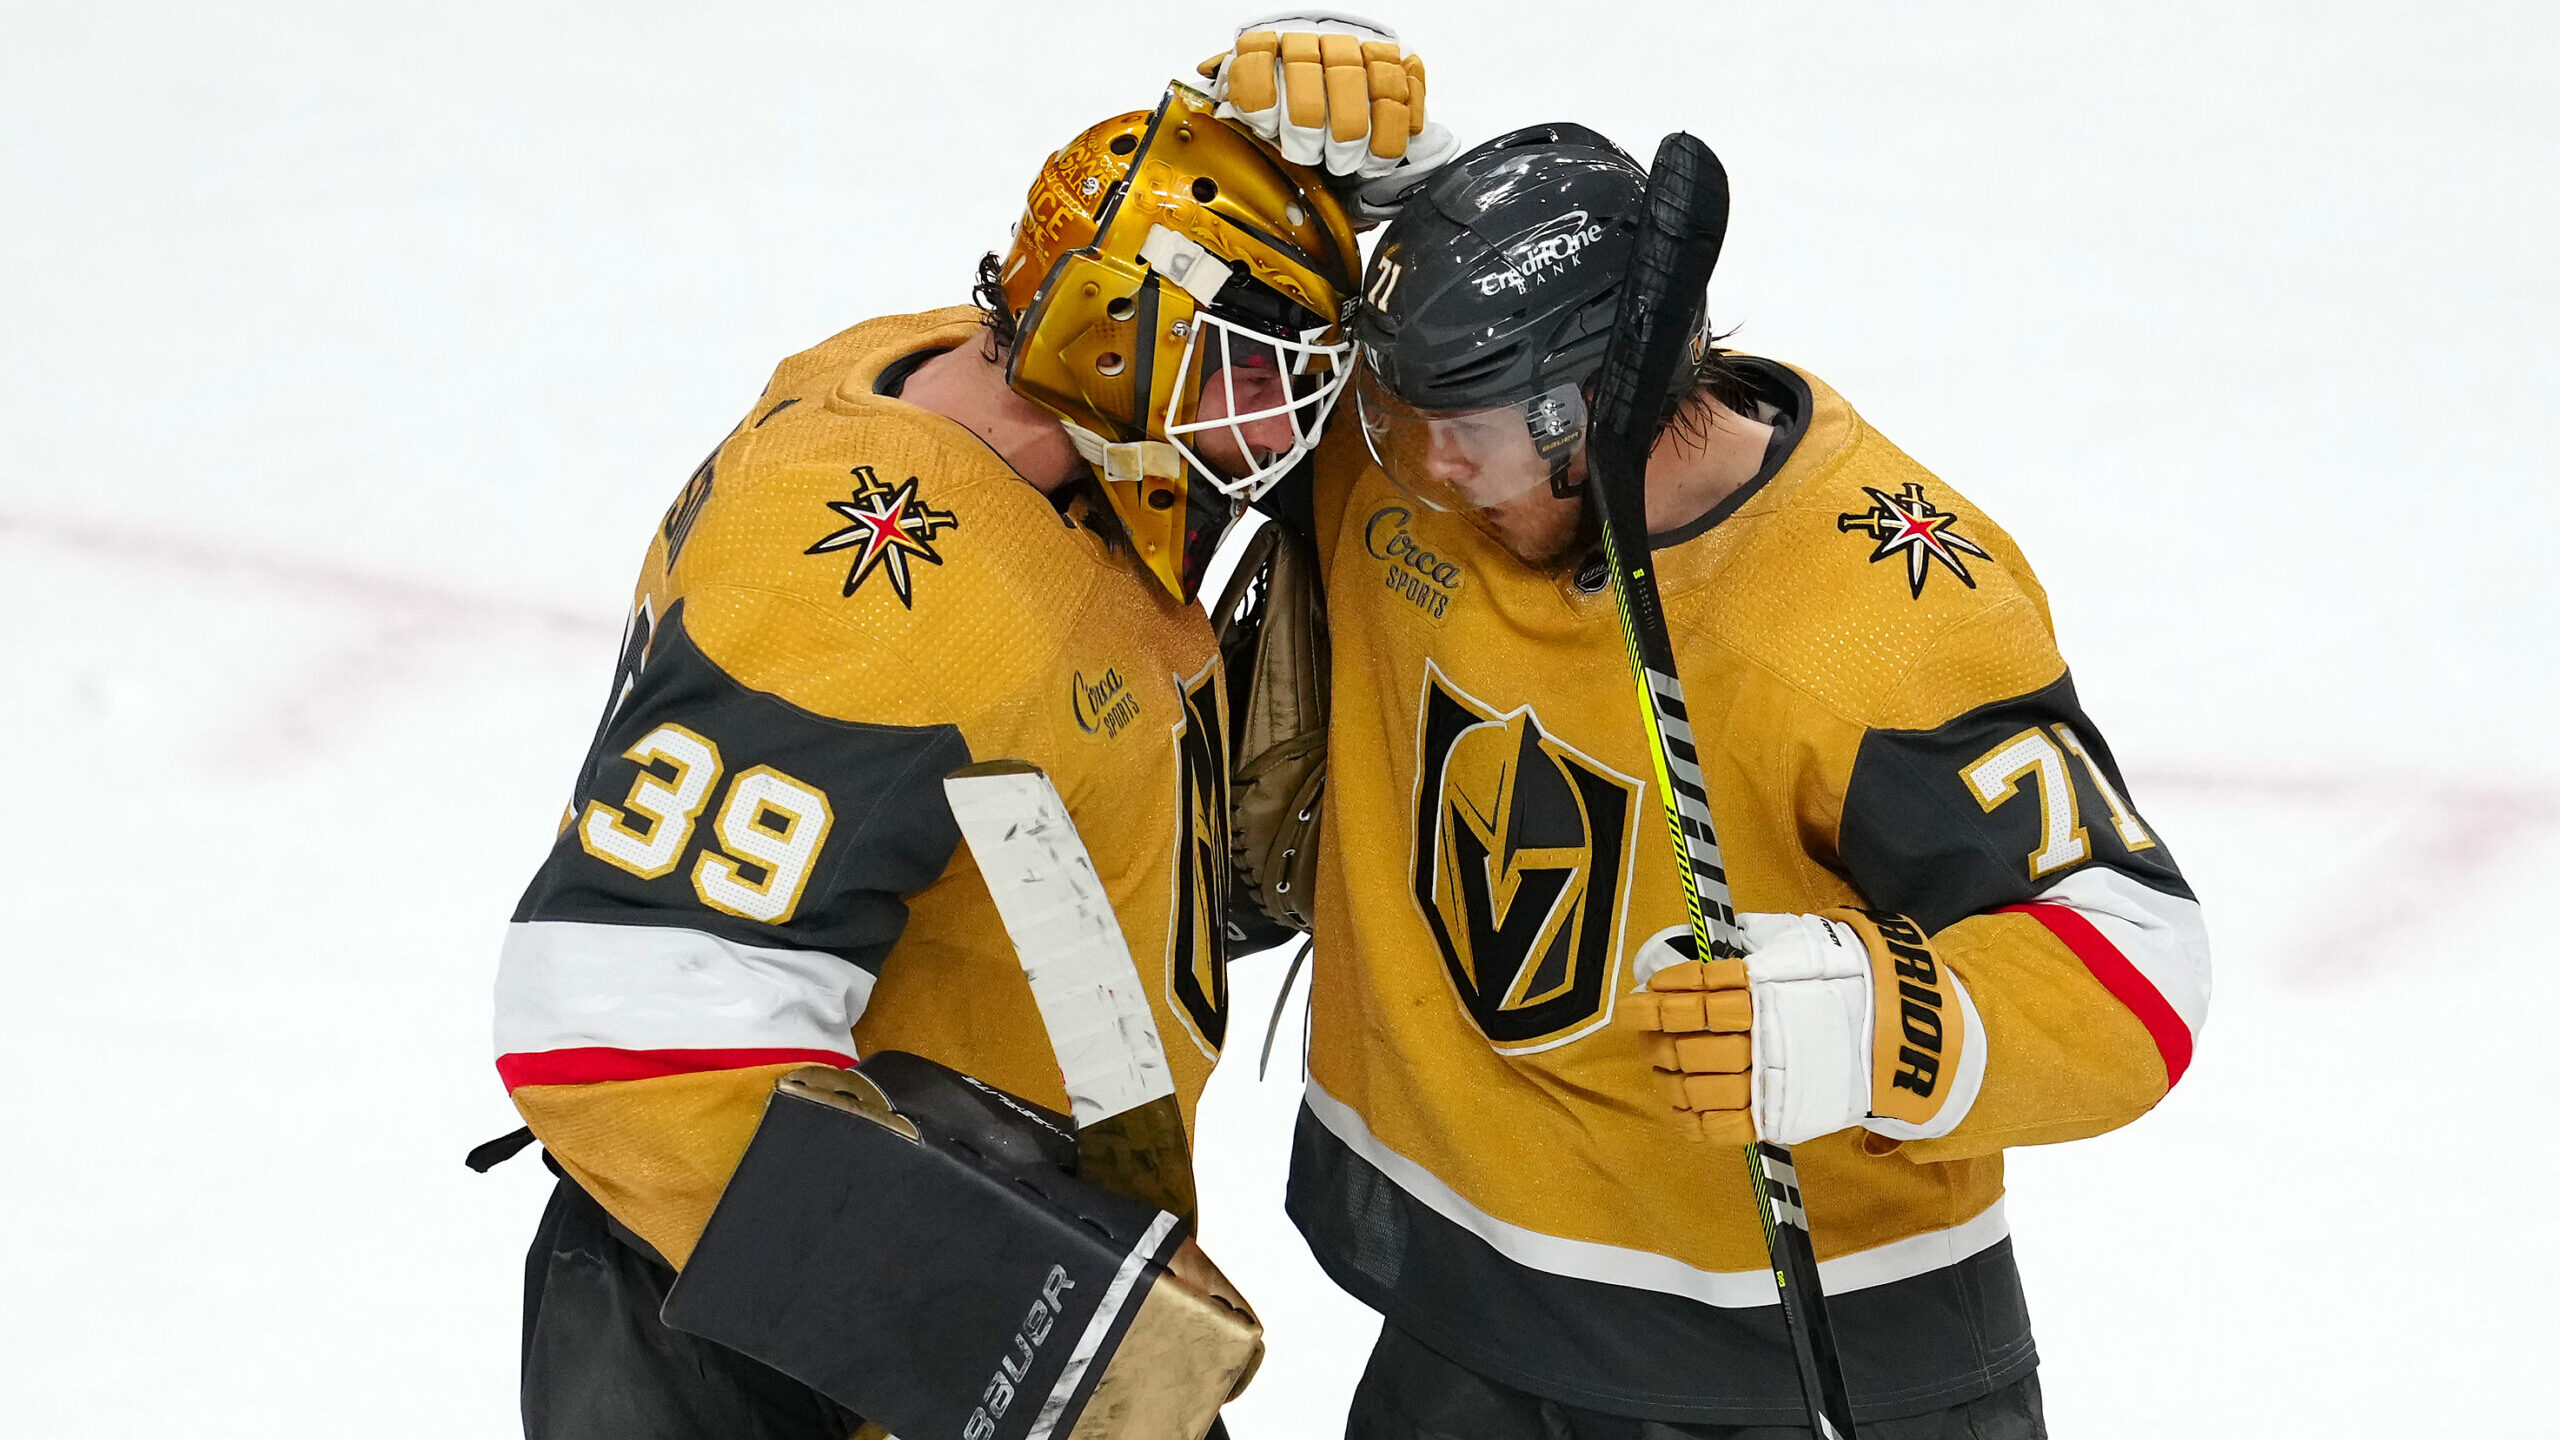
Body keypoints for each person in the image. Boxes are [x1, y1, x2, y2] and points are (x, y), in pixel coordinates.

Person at [1230, 121, 2212, 1438]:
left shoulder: (1882, 621)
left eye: (1460, 431)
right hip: (1467, 1330)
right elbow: (1146, 368)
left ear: (1597, 404)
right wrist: (1265, 143)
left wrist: (1874, 1021)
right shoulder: (1413, 468)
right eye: (1400, 421)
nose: (1426, 468)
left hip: (1800, 1369)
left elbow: (2136, 970)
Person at [484, 85, 1389, 1440]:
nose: (1285, 433)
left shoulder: (941, 378)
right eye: (1252, 377)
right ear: (1105, 335)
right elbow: (621, 1022)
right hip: (781, 1336)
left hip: (904, 1254)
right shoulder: (885, 589)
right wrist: (1008, 1336)